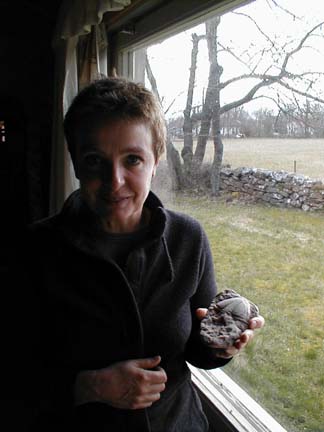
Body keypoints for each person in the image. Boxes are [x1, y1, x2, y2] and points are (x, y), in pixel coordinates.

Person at [6, 77, 264, 432]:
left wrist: (222, 349)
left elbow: (195, 350)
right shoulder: (34, 250)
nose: (115, 181)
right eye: (95, 160)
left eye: (133, 159)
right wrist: (88, 387)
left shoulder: (188, 238)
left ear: (155, 160)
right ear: (76, 163)